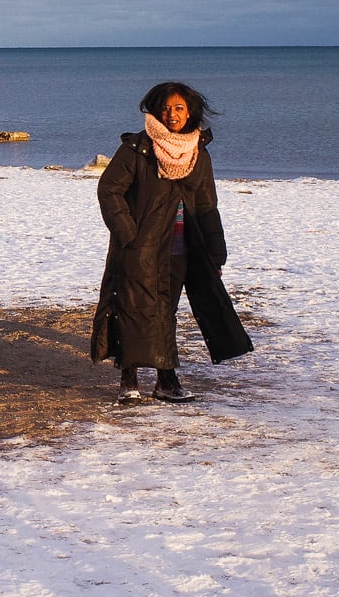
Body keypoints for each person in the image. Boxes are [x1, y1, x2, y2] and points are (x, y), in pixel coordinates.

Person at [91, 82, 252, 403]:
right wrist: (128, 234)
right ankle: (129, 379)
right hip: (140, 247)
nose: (172, 114)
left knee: (165, 312)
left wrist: (215, 253)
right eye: (166, 108)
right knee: (134, 309)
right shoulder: (138, 149)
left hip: (183, 249)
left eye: (179, 108)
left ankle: (166, 379)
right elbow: (109, 190)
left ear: (191, 111)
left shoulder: (198, 153)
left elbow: (206, 206)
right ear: (155, 110)